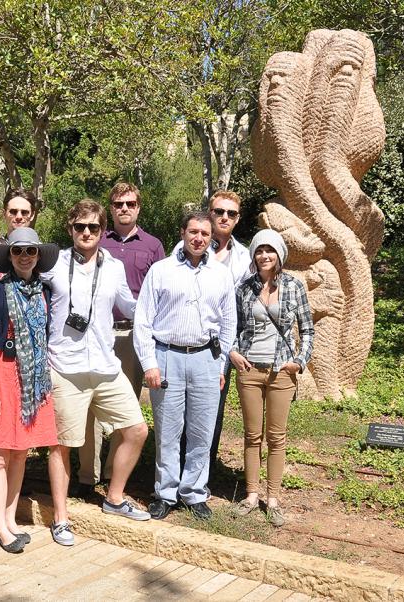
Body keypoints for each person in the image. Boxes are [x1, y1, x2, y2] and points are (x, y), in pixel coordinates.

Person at [45, 199, 151, 547]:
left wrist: (160, 307)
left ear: (102, 230)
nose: (86, 233)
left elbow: (130, 306)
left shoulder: (114, 267)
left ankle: (114, 498)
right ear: (70, 229)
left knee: (136, 429)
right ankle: (61, 518)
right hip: (65, 366)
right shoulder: (54, 263)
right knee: (62, 445)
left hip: (105, 365)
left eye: (93, 227)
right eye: (80, 227)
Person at [135, 211, 236, 521]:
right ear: (182, 232)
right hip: (167, 357)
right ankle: (165, 493)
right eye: (193, 232)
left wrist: (220, 365)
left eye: (205, 234)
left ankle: (194, 492)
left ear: (211, 237)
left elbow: (229, 321)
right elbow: (143, 320)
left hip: (207, 358)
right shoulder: (161, 270)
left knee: (201, 431)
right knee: (168, 430)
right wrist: (149, 363)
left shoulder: (220, 274)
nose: (199, 238)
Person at [0, 228, 60, 553]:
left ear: (38, 256)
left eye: (30, 251)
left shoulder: (45, 292)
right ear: (9, 255)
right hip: (1, 371)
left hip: (32, 377)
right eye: (18, 250)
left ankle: (10, 519)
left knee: (21, 453)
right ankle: (0, 528)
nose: (24, 256)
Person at [78, 182, 165, 496]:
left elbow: (159, 293)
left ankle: (115, 473)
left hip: (132, 334)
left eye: (129, 203)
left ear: (138, 207)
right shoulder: (96, 240)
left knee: (122, 405)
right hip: (93, 333)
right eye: (117, 204)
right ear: (110, 208)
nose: (124, 208)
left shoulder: (153, 246)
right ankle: (87, 476)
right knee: (89, 406)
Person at [229, 229, 313, 527]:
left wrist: (299, 362)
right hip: (250, 370)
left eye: (270, 250)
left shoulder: (294, 286)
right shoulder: (244, 288)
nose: (264, 255)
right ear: (253, 255)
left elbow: (308, 330)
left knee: (276, 437)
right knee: (252, 435)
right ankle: (251, 495)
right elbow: (232, 325)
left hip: (281, 371)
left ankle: (273, 498)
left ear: (280, 254)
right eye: (259, 250)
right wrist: (232, 352)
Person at [172, 190, 250, 481]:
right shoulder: (183, 249)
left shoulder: (244, 258)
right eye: (219, 211)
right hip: (184, 344)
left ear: (238, 218)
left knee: (210, 413)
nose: (224, 217)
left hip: (221, 348)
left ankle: (202, 472)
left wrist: (233, 346)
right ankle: (174, 470)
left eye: (231, 213)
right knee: (179, 411)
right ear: (210, 212)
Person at [0, 188, 38, 281]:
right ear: (4, 214)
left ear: (32, 215)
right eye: (13, 212)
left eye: (24, 212)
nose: (19, 216)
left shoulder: (39, 251)